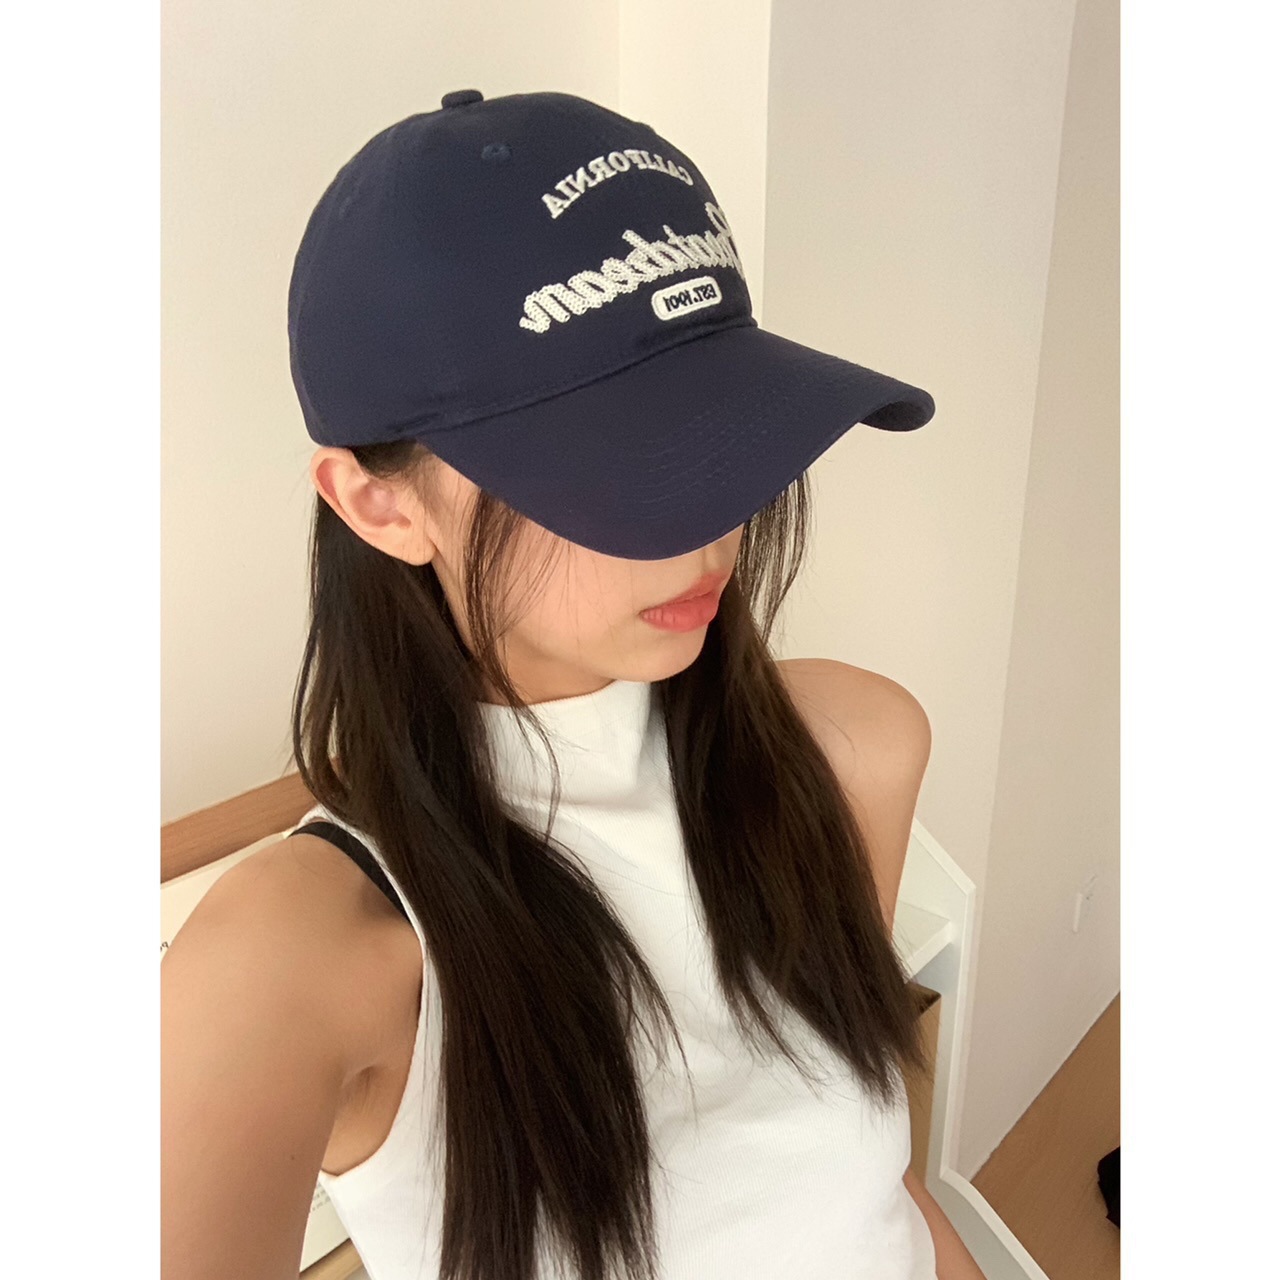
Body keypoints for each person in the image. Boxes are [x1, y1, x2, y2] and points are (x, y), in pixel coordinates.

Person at [162, 90, 987, 1280]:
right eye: (613, 465)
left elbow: (880, 1192)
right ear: (380, 504)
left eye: (722, 432)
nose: (707, 528)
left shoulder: (847, 748)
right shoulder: (298, 956)